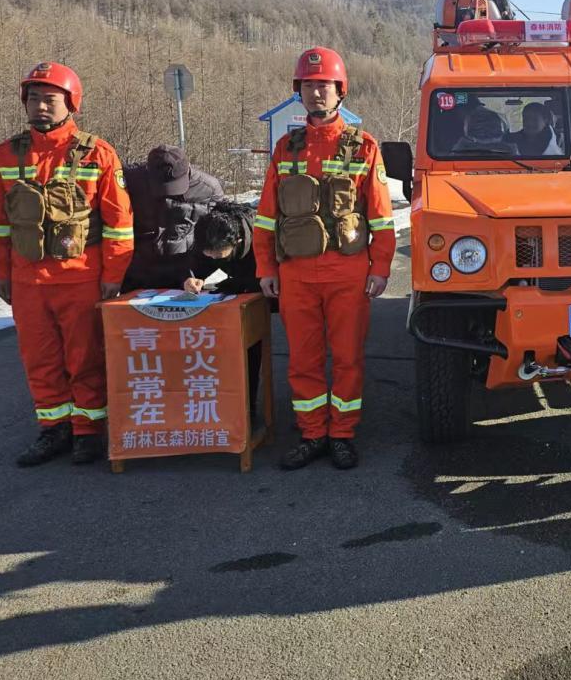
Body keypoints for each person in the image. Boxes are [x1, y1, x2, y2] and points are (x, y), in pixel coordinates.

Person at [0, 62, 134, 466]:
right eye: (33, 98)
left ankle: (88, 431)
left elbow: (119, 223)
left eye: (50, 99)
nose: (41, 106)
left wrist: (113, 276)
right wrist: (0, 271)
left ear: (71, 103)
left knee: (85, 358)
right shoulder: (6, 154)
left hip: (81, 277)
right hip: (27, 281)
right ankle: (54, 429)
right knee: (40, 359)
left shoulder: (97, 153)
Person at [253, 47, 395, 471]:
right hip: (296, 274)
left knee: (348, 357)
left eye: (324, 85)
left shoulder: (364, 147)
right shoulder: (286, 149)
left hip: (347, 272)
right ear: (299, 91)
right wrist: (265, 267)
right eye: (309, 85)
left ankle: (343, 434)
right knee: (303, 359)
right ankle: (312, 432)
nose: (316, 92)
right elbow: (267, 215)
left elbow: (381, 216)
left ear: (340, 91)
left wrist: (380, 268)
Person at [185, 199, 266, 414]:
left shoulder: (259, 235)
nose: (212, 259)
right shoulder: (207, 233)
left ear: (237, 242)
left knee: (250, 348)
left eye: (218, 256)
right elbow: (196, 265)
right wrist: (193, 279)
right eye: (208, 254)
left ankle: (247, 409)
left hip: (260, 289)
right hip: (228, 295)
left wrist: (238, 284)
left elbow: (267, 277)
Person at [121, 145, 223, 291]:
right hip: (137, 273)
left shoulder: (209, 189)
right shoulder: (129, 181)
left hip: (184, 274)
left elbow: (214, 239)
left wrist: (198, 276)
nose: (167, 193)